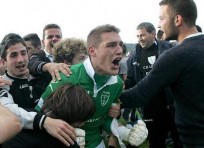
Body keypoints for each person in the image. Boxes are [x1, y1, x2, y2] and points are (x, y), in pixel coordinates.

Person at [35, 24, 148, 148]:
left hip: (96, 142)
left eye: (120, 45)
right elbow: (39, 115)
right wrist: (67, 131)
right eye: (111, 45)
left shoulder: (118, 83)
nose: (120, 50)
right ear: (92, 51)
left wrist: (124, 132)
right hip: (62, 142)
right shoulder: (67, 76)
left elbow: (105, 117)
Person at [120, 0, 204, 147]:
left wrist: (104, 97)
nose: (159, 25)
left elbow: (139, 95)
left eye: (161, 18)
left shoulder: (175, 55)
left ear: (177, 20)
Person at [124, 22, 181, 148]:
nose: (139, 39)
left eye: (142, 35)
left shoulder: (169, 49)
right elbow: (132, 80)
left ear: (153, 34)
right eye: (137, 36)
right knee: (156, 142)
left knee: (179, 140)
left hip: (172, 105)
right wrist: (124, 85)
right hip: (150, 107)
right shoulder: (133, 57)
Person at [3, 84, 96, 148]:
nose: (83, 124)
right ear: (76, 119)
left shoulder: (23, 117)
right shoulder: (67, 143)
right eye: (83, 120)